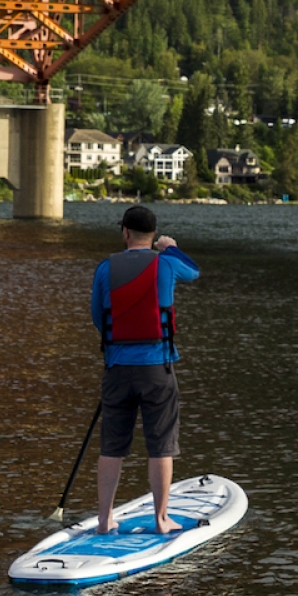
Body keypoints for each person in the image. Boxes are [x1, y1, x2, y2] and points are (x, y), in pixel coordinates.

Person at [89, 204, 202, 534]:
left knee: (112, 447)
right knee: (161, 445)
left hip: (117, 369)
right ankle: (160, 519)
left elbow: (99, 318)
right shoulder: (167, 264)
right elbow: (194, 272)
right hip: (158, 369)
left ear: (125, 232)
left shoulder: (104, 269)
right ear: (153, 236)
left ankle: (104, 519)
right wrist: (172, 248)